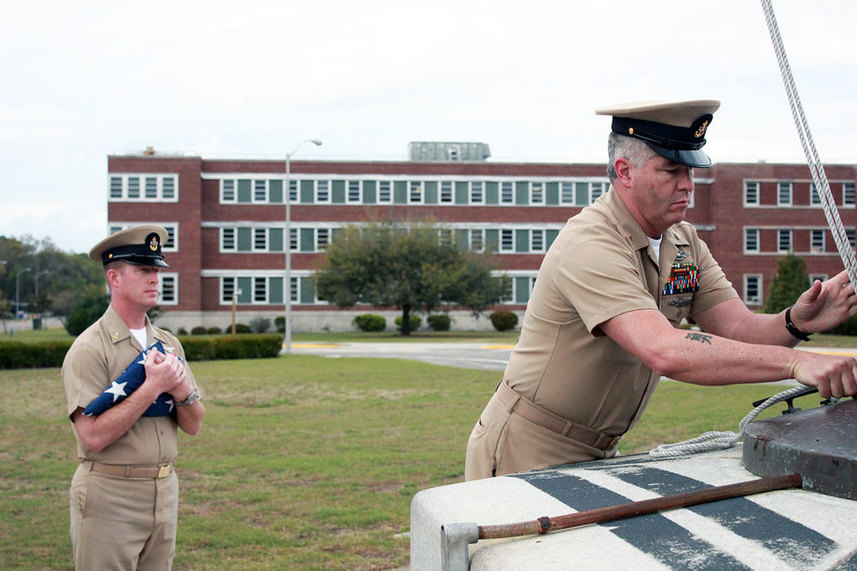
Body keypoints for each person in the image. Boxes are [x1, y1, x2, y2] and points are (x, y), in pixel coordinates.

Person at [465, 100, 857, 480]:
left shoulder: (682, 242)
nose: (688, 185)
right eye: (671, 170)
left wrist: (795, 322)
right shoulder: (590, 242)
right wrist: (795, 364)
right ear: (624, 171)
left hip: (600, 449)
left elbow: (737, 328)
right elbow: (665, 351)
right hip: (528, 446)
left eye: (690, 170)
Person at [62, 224, 205, 569]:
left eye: (157, 270)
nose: (155, 278)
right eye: (143, 269)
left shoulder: (168, 344)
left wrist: (180, 388)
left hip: (164, 488)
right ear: (114, 277)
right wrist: (152, 387)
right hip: (111, 493)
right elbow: (93, 436)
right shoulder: (89, 348)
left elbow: (194, 424)